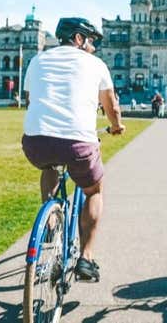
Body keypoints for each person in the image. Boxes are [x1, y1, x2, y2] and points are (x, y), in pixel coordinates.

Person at [21, 17, 125, 282]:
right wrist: (116, 125)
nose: (93, 48)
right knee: (93, 191)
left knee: (49, 166)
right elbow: (111, 106)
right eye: (90, 41)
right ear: (78, 39)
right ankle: (86, 258)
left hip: (35, 142)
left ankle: (51, 225)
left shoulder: (37, 60)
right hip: (78, 143)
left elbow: (31, 100)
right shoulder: (95, 64)